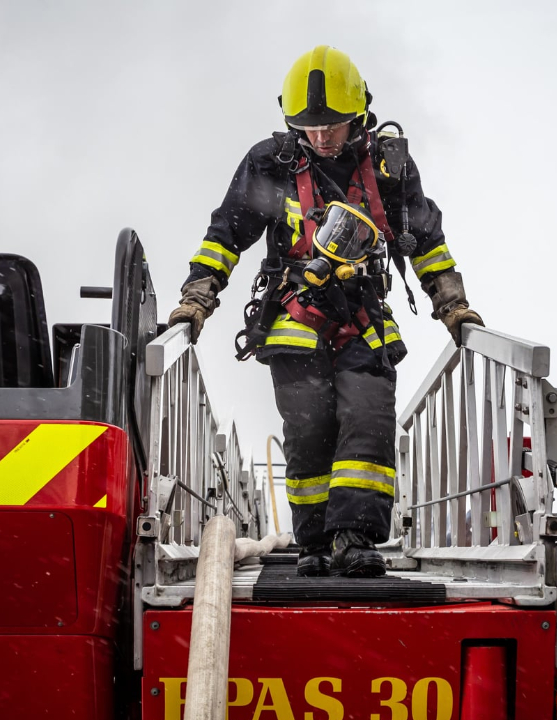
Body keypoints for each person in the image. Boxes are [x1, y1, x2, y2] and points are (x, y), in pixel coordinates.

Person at [167, 45, 483, 577]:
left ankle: (354, 538)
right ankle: (314, 542)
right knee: (308, 431)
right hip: (296, 317)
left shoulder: (388, 167)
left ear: (358, 114)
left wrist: (454, 307)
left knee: (368, 418)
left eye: (331, 126)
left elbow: (426, 242)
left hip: (364, 319)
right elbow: (226, 234)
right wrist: (197, 297)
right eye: (309, 128)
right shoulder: (271, 163)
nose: (320, 137)